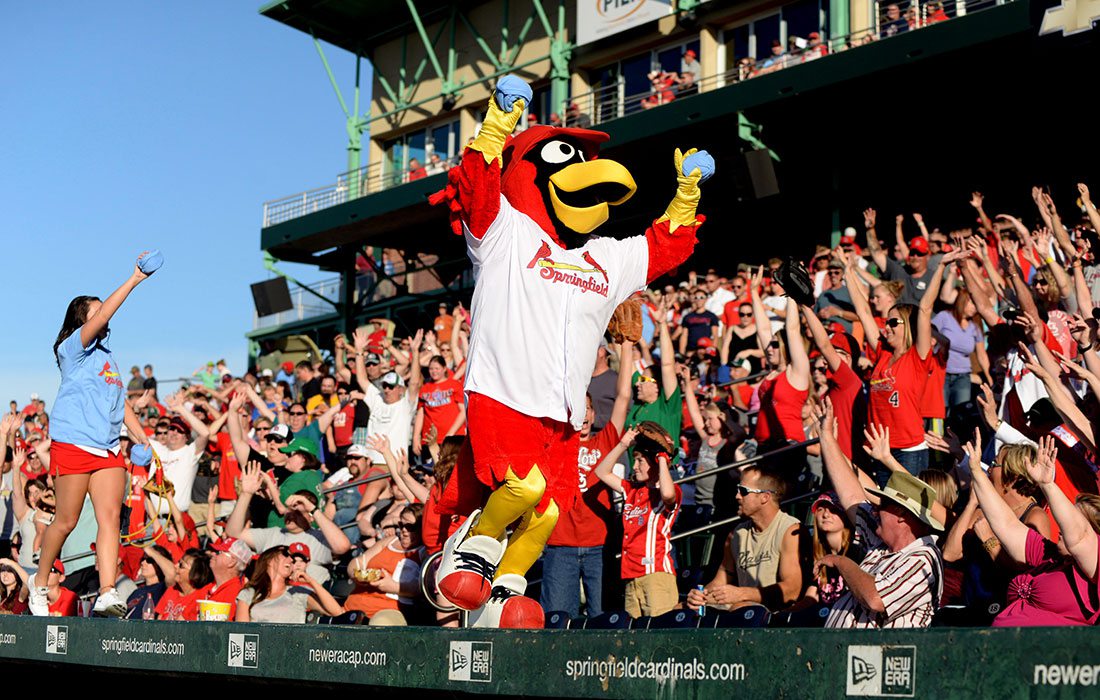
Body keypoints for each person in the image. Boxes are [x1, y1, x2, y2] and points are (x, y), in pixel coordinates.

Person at [30, 252, 157, 617]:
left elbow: (123, 405)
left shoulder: (108, 358)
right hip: (72, 443)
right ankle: (39, 584)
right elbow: (104, 315)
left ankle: (106, 591)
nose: (105, 314)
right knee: (66, 521)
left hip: (107, 448)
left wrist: (142, 438)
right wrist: (134, 279)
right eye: (98, 310)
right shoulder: (71, 350)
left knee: (109, 519)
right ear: (81, 318)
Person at [816, 401, 945, 629]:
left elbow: (875, 599)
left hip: (880, 661)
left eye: (882, 504)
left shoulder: (923, 557)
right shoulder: (881, 542)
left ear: (903, 516)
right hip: (842, 655)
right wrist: (826, 437)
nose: (874, 508)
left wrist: (840, 561)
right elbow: (852, 495)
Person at [541, 340, 634, 619]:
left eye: (587, 409)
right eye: (577, 410)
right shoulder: (554, 444)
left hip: (599, 545)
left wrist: (627, 348)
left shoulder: (604, 441)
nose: (582, 415)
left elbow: (623, 397)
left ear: (594, 415)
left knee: (603, 619)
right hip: (560, 546)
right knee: (558, 620)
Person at [965, 433, 1100, 625]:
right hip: (1001, 646)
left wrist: (1048, 486)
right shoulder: (1050, 556)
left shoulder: (1095, 572)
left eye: (1072, 519)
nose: (1061, 525)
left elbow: (1080, 537)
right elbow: (1006, 525)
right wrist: (977, 471)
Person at [594, 422, 681, 618]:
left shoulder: (668, 491)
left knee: (659, 635)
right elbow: (601, 473)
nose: (634, 466)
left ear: (653, 462)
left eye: (640, 461)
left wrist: (661, 458)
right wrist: (623, 445)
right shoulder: (632, 490)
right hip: (631, 576)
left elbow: (668, 494)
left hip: (656, 575)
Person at [687, 466, 801, 612]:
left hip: (776, 616)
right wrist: (700, 596)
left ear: (765, 497)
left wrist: (741, 594)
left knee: (740, 606)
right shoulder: (736, 534)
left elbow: (791, 590)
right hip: (743, 611)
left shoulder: (790, 530)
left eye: (743, 491)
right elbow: (721, 580)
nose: (737, 496)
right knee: (681, 609)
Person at [345, 503, 426, 623]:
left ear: (422, 527)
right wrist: (356, 574)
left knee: (379, 622)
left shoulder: (425, 551)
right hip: (355, 604)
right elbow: (358, 562)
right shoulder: (389, 541)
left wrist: (393, 586)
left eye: (410, 527)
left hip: (390, 610)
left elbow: (425, 587)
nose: (403, 530)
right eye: (401, 525)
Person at [236, 545, 344, 623]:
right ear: (268, 560)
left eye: (292, 560)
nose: (291, 560)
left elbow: (338, 612)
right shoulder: (249, 593)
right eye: (285, 554)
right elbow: (241, 632)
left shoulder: (298, 592)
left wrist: (311, 581)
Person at [124, 544, 173, 619]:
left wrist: (152, 552)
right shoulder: (137, 592)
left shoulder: (163, 589)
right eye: (143, 559)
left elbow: (172, 574)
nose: (143, 563)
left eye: (149, 560)